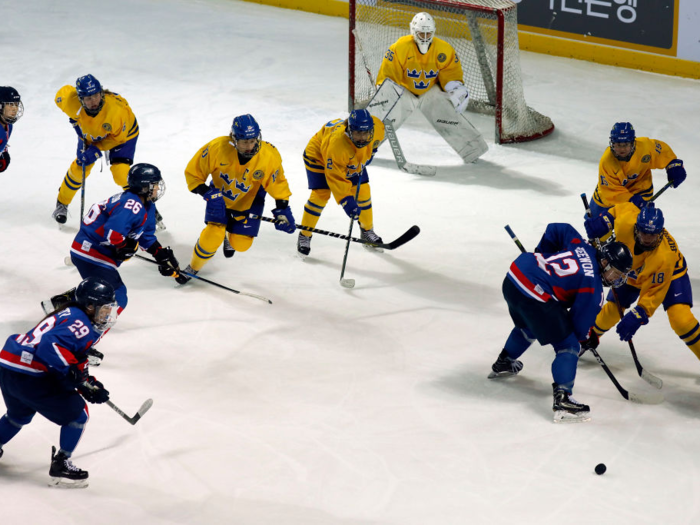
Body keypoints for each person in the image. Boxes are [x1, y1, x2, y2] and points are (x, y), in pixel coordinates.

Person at [489, 223, 633, 423]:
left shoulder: (582, 245)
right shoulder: (594, 290)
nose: (617, 280)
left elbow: (557, 229)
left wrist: (542, 254)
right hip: (534, 293)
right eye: (617, 273)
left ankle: (504, 361)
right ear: (606, 264)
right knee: (568, 346)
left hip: (514, 277)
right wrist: (586, 337)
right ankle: (563, 398)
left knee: (530, 325)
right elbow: (578, 328)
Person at [0, 277, 117, 488]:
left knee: (18, 415)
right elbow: (50, 346)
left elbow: (71, 358)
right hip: (30, 374)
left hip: (10, 367)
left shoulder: (72, 313)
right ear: (90, 306)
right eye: (105, 308)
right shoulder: (81, 323)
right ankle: (61, 465)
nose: (108, 313)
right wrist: (80, 383)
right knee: (78, 415)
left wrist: (89, 382)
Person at [41, 163, 181, 323]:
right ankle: (88, 332)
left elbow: (146, 237)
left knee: (105, 289)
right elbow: (113, 233)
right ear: (144, 187)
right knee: (116, 296)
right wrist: (122, 246)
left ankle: (60, 303)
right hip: (91, 252)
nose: (157, 188)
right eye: (154, 184)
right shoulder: (131, 204)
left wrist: (161, 255)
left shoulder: (147, 206)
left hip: (94, 251)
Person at [180, 114, 296, 282]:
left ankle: (230, 234)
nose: (249, 146)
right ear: (234, 138)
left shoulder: (269, 154)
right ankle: (193, 267)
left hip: (250, 201)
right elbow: (193, 173)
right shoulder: (217, 147)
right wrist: (207, 193)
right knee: (212, 236)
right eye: (244, 142)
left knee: (241, 245)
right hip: (220, 198)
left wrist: (282, 208)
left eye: (252, 140)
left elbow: (277, 182)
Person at [365, 11, 487, 164]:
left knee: (446, 114)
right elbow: (389, 75)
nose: (424, 37)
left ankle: (472, 148)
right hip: (404, 91)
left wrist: (456, 88)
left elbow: (450, 72)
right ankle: (363, 146)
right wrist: (383, 91)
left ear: (433, 32)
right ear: (413, 31)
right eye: (420, 33)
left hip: (430, 91)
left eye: (428, 33)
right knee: (383, 115)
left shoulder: (444, 50)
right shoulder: (400, 47)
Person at [582, 202, 700, 359]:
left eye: (652, 235)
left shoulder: (664, 257)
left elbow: (654, 292)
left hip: (671, 274)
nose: (647, 239)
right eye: (644, 233)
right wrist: (606, 220)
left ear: (660, 233)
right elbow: (623, 208)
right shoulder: (627, 223)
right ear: (636, 227)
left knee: (681, 319)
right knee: (611, 311)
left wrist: (640, 313)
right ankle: (582, 340)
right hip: (632, 269)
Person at [52, 74, 165, 230]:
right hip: (91, 134)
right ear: (80, 98)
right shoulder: (71, 102)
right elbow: (61, 94)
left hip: (123, 136)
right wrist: (75, 121)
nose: (93, 102)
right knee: (79, 169)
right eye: (88, 98)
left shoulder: (116, 112)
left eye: (96, 95)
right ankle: (62, 203)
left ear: (101, 93)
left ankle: (145, 207)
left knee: (121, 174)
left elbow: (117, 138)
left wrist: (97, 150)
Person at [297, 109, 385, 258]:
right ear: (349, 130)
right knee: (321, 195)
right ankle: (305, 234)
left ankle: (367, 231)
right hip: (318, 156)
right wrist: (347, 201)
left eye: (365, 133)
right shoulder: (337, 145)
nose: (362, 138)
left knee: (363, 191)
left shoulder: (378, 128)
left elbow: (372, 147)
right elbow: (335, 178)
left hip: (350, 158)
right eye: (357, 133)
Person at [589, 122, 687, 217]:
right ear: (612, 144)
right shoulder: (607, 161)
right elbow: (610, 191)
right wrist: (630, 199)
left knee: (633, 226)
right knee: (595, 223)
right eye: (618, 145)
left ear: (633, 143)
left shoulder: (644, 147)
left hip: (641, 190)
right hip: (611, 196)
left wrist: (673, 164)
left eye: (626, 144)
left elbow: (661, 151)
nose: (622, 149)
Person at [0, 86, 23, 173]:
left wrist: (3, 152)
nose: (15, 108)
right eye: (10, 104)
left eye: (16, 104)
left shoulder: (9, 126)